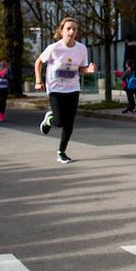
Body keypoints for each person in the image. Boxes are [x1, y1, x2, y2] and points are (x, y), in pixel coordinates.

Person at [35, 16, 96, 164]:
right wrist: (38, 81)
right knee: (59, 121)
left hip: (73, 88)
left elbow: (81, 68)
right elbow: (38, 62)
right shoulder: (54, 48)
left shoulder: (81, 49)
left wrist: (88, 70)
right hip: (55, 88)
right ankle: (49, 119)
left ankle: (61, 152)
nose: (71, 31)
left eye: (74, 29)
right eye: (68, 28)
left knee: (69, 123)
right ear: (61, 31)